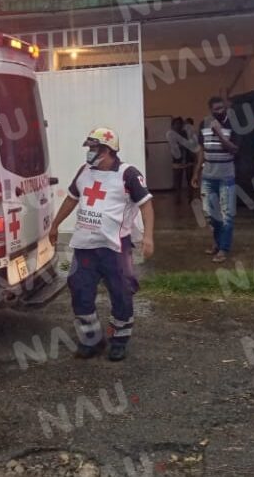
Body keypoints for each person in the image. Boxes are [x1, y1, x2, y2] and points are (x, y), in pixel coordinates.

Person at [49, 127, 155, 361]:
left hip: (115, 247)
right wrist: (55, 224)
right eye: (89, 148)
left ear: (107, 150)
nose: (89, 152)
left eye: (93, 148)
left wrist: (148, 236)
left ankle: (119, 339)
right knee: (79, 289)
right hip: (85, 245)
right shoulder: (85, 171)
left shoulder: (128, 174)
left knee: (121, 292)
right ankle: (91, 339)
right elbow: (71, 198)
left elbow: (146, 205)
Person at [192, 96, 241, 263]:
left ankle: (223, 249)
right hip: (208, 176)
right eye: (216, 109)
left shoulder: (233, 124)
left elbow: (234, 149)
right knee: (211, 214)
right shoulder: (204, 124)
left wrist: (219, 134)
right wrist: (196, 172)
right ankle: (217, 243)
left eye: (222, 108)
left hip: (226, 176)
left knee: (227, 214)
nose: (220, 111)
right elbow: (201, 150)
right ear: (211, 110)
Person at [166, 117, 189, 204]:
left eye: (179, 124)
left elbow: (187, 146)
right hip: (176, 160)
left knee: (188, 178)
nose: (177, 126)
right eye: (176, 124)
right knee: (177, 179)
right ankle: (177, 197)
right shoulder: (171, 134)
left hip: (187, 159)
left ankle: (190, 197)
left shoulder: (184, 133)